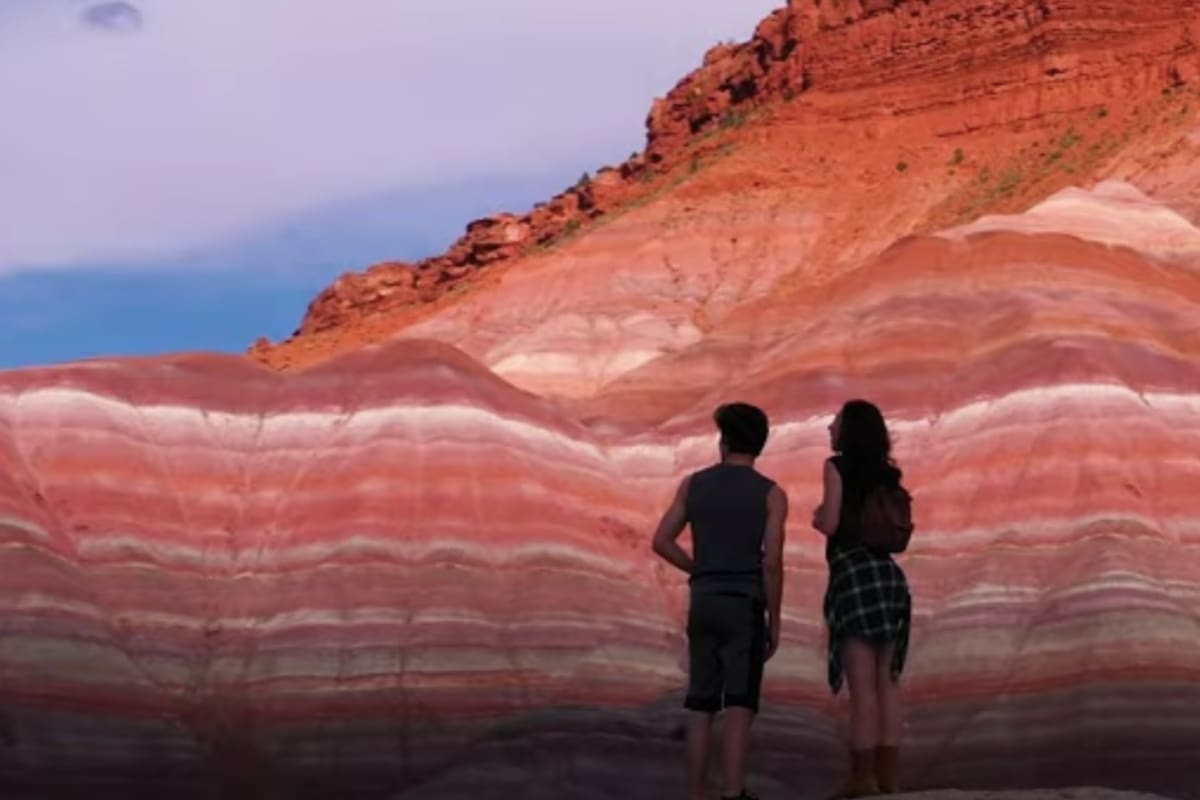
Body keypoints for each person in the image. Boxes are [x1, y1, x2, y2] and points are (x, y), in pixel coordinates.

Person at [652, 402, 788, 800]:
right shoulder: (772, 494)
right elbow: (772, 563)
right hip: (744, 605)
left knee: (701, 703)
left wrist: (699, 569)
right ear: (760, 444)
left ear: (723, 441)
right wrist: (774, 621)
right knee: (740, 703)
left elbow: (662, 541)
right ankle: (732, 792)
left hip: (704, 603)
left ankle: (696, 793)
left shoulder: (693, 485)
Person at [812, 399, 912, 798]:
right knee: (888, 682)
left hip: (854, 576)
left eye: (836, 422)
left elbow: (831, 523)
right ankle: (889, 778)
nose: (829, 428)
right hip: (888, 578)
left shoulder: (835, 467)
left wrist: (818, 517)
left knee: (862, 686)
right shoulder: (889, 474)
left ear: (850, 430)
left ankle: (863, 778)